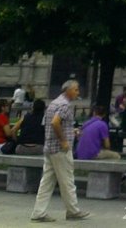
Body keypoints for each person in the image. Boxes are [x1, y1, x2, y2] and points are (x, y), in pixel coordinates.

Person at [30, 79, 90, 222]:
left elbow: (50, 124)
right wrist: (64, 140)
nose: (78, 92)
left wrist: (71, 131)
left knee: (47, 181)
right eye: (76, 89)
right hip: (60, 150)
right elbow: (55, 122)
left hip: (49, 147)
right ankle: (73, 211)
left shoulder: (53, 103)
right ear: (67, 90)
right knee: (67, 180)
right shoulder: (64, 105)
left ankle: (38, 212)